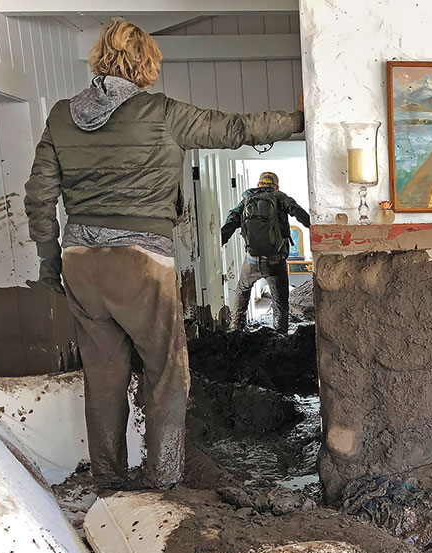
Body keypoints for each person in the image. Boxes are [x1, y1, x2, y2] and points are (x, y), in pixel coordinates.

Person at [23, 18, 304, 489]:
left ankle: (110, 485)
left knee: (104, 378)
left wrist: (50, 257)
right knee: (167, 373)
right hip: (141, 262)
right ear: (147, 65)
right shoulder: (161, 112)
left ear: (99, 60)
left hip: (80, 263)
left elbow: (37, 195)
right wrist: (297, 120)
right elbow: (235, 128)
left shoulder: (60, 115)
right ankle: (163, 482)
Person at [221, 172, 310, 332]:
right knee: (280, 302)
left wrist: (220, 239)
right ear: (276, 186)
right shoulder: (280, 197)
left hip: (252, 261)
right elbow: (296, 210)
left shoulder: (247, 199)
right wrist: (313, 226)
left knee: (242, 290)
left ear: (258, 185)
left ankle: (236, 328)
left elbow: (233, 218)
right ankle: (280, 335)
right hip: (275, 262)